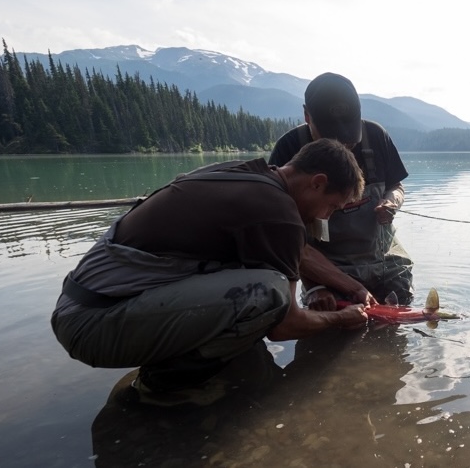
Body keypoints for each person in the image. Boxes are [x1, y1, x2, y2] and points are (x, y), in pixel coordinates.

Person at [51, 138, 369, 399]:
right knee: (269, 293)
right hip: (93, 324)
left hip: (81, 304)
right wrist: (342, 319)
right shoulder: (278, 212)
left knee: (259, 298)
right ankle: (167, 386)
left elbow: (296, 252)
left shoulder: (251, 176)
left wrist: (351, 287)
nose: (325, 218)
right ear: (317, 183)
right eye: (332, 207)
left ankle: (187, 365)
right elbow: (285, 326)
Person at [269, 72, 414, 308]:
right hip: (326, 268)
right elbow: (288, 241)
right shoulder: (288, 149)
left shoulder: (376, 136)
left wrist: (391, 203)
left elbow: (396, 185)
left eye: (349, 139)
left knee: (399, 322)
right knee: (334, 325)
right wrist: (315, 286)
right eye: (332, 139)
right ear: (307, 116)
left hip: (385, 258)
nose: (344, 147)